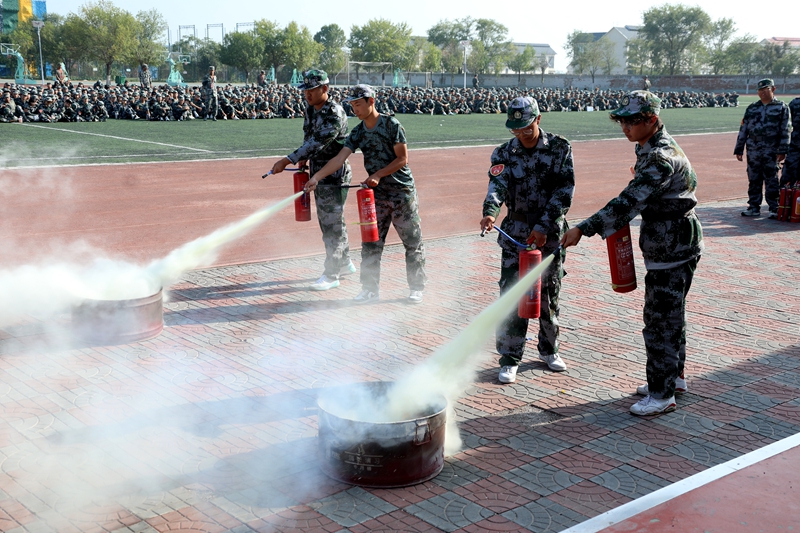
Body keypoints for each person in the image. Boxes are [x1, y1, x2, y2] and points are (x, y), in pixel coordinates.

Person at [561, 91, 703, 416]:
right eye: (622, 121)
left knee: (659, 321)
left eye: (632, 122)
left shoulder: (659, 157)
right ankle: (673, 378)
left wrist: (583, 228)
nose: (625, 128)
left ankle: (661, 394)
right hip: (674, 243)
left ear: (651, 120)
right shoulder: (649, 147)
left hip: (672, 247)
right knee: (672, 315)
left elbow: (627, 202)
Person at [479, 97, 574, 383]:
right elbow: (497, 185)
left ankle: (549, 349)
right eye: (515, 130)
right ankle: (510, 357)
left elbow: (564, 192)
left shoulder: (559, 148)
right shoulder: (503, 153)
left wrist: (544, 226)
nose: (521, 134)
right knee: (511, 295)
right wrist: (490, 212)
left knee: (548, 294)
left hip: (550, 234)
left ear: (538, 119)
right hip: (516, 234)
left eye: (526, 128)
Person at [305, 84, 427, 304]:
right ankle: (369, 290)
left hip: (401, 193)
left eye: (358, 104)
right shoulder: (358, 132)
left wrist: (378, 175)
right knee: (371, 244)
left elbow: (402, 159)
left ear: (371, 101)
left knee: (412, 242)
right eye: (352, 106)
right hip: (376, 196)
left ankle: (416, 288)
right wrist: (317, 177)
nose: (355, 110)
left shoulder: (391, 125)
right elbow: (339, 159)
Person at [271, 69, 356, 291]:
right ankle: (344, 262)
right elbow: (308, 137)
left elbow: (317, 142)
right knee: (332, 221)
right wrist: (303, 159)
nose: (307, 94)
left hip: (334, 175)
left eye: (312, 90)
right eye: (305, 90)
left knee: (331, 225)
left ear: (325, 88)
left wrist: (287, 160)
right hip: (318, 173)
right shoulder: (310, 109)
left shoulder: (334, 113)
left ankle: (332, 274)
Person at [734, 78, 790, 218]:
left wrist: (783, 150)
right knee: (753, 178)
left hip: (772, 148)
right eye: (760, 90)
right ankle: (754, 207)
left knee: (771, 178)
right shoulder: (752, 108)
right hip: (753, 148)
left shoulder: (781, 107)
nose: (762, 92)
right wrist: (739, 148)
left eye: (766, 89)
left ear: (773, 89)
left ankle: (774, 208)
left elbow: (785, 130)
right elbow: (744, 129)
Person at [779, 95, 800, 187]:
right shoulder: (795, 103)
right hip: (795, 144)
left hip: (795, 143)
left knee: (789, 172)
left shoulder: (795, 103)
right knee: (789, 174)